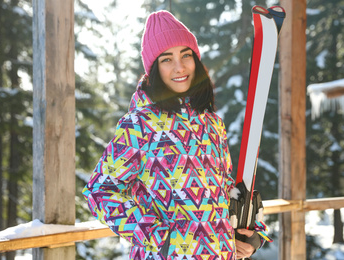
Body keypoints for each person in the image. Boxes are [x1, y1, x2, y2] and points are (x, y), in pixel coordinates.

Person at [82, 10, 270, 259]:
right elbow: (100, 191)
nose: (179, 67)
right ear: (154, 69)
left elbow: (224, 188)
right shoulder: (139, 124)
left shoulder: (212, 124)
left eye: (186, 55)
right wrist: (159, 237)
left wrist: (252, 233)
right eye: (166, 59)